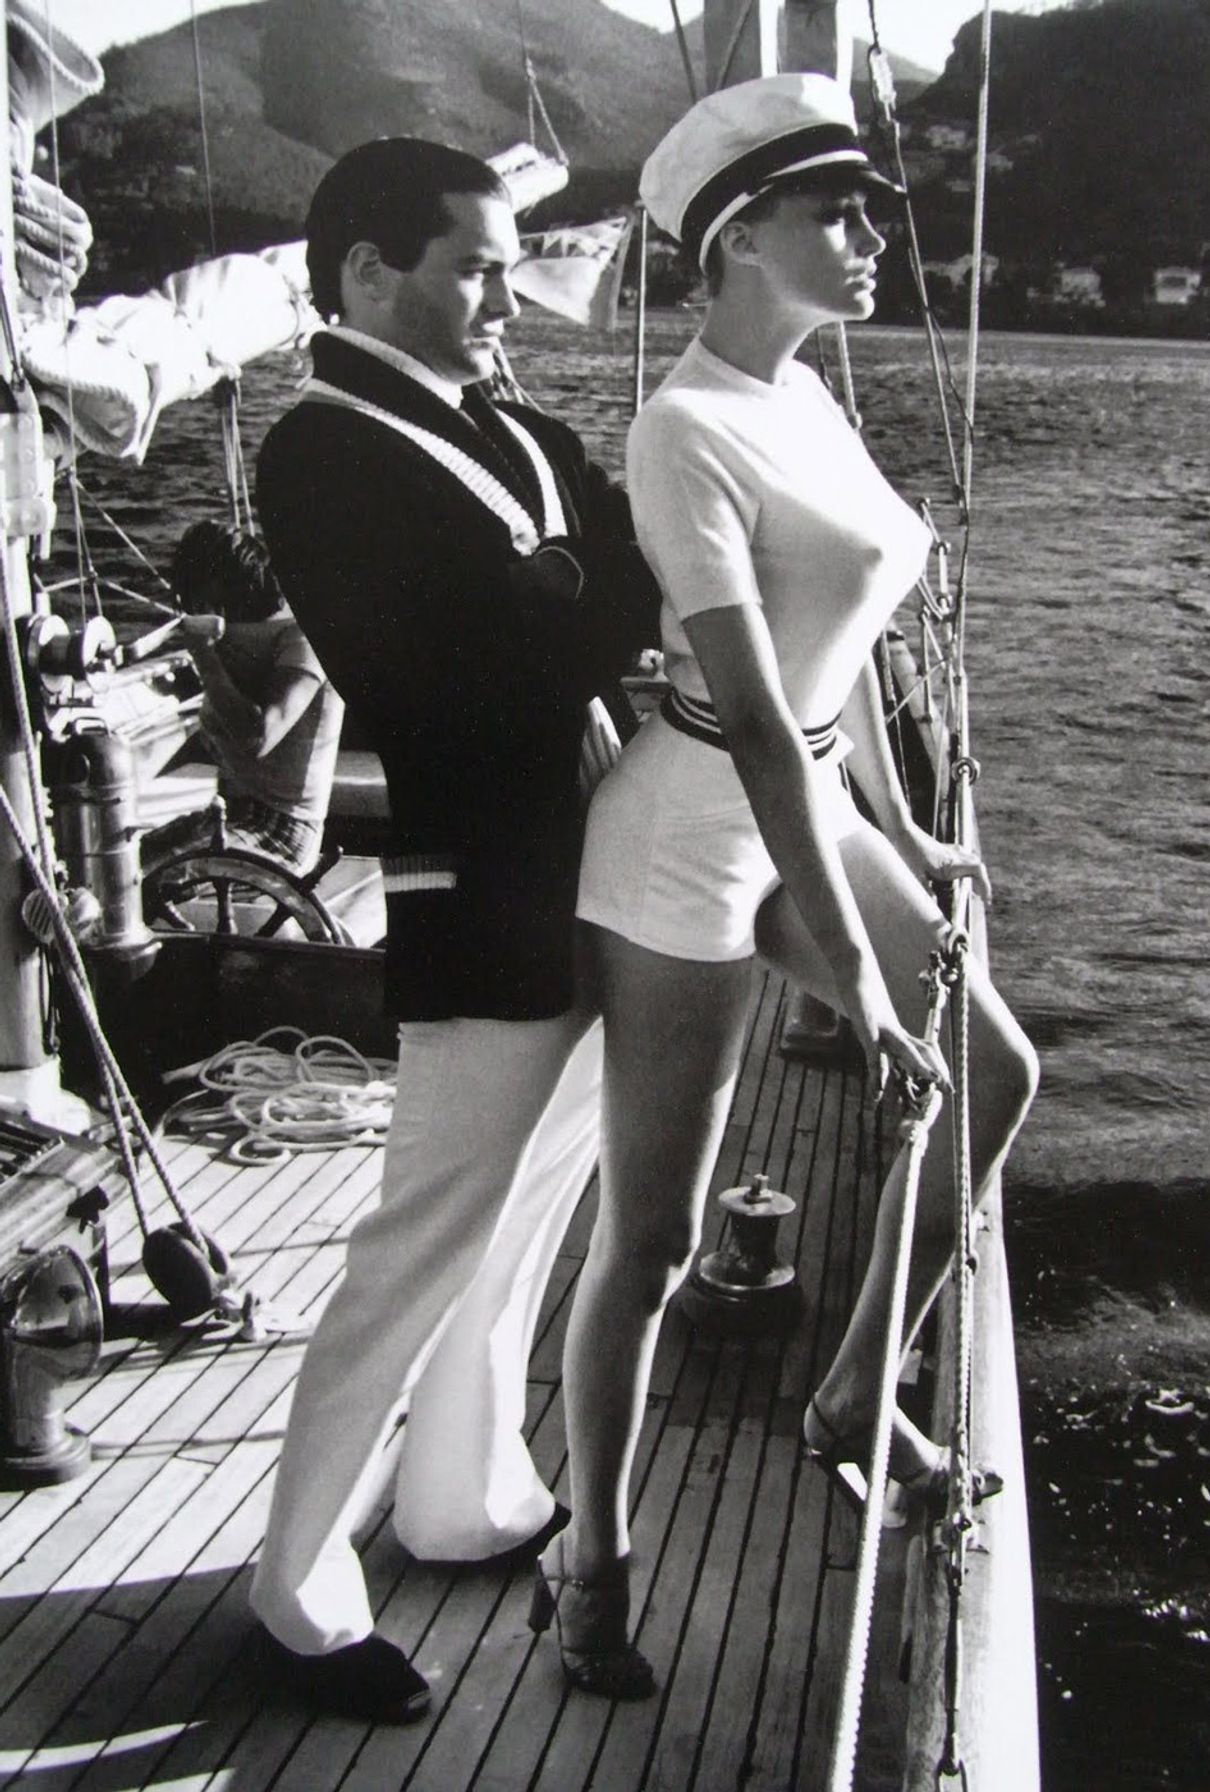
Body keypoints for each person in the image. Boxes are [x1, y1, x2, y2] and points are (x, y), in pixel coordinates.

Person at [536, 75, 1039, 1698]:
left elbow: (854, 653)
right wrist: (870, 990)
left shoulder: (811, 394)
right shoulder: (681, 430)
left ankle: (851, 1395)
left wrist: (908, 825)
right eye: (840, 211)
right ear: (740, 237)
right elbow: (753, 718)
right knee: (656, 1239)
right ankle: (596, 1560)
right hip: (691, 830)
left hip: (808, 796)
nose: (874, 232)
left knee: (992, 1073)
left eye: (870, 207)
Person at [246, 137, 659, 1723]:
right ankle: (296, 1587)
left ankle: (461, 1493)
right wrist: (576, 607)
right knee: (422, 1236)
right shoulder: (320, 453)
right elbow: (430, 680)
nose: (507, 298)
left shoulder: (522, 430)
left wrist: (564, 605)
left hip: (591, 867)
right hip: (478, 891)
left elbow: (617, 583)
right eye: (478, 268)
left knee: (532, 1208)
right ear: (369, 273)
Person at [169, 520, 343, 876]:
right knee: (117, 863)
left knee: (146, 879)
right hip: (230, 815)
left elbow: (260, 738)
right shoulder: (241, 647)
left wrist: (204, 655)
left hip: (282, 831)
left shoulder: (304, 640)